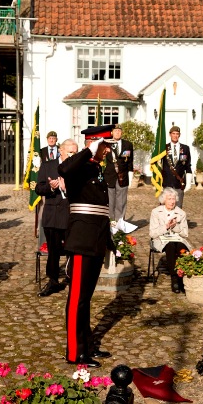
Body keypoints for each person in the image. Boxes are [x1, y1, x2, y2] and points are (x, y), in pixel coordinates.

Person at [58, 124, 116, 368]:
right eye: (105, 146)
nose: (108, 151)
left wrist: (109, 242)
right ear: (94, 144)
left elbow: (101, 209)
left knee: (87, 298)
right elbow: (64, 168)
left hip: (96, 238)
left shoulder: (96, 168)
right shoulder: (79, 166)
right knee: (77, 299)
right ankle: (74, 352)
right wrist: (88, 150)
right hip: (82, 240)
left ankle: (87, 345)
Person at [35, 139, 78, 296]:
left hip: (70, 215)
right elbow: (38, 188)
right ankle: (52, 281)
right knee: (53, 252)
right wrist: (51, 187)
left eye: (75, 152)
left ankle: (72, 278)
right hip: (52, 216)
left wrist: (68, 189)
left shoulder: (78, 167)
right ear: (61, 150)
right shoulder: (48, 166)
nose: (73, 155)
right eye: (70, 152)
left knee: (71, 250)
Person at [149, 187, 191, 293]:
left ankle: (183, 276)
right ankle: (175, 278)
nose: (172, 202)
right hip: (160, 240)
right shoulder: (156, 212)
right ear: (164, 200)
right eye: (169, 199)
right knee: (171, 245)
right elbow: (152, 233)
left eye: (173, 199)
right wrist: (166, 227)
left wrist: (175, 226)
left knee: (181, 247)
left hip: (177, 239)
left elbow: (185, 233)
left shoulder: (181, 213)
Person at [103, 124, 134, 222]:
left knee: (121, 201)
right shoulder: (106, 143)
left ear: (122, 132)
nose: (117, 132)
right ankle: (111, 222)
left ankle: (120, 223)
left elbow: (130, 160)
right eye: (115, 131)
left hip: (123, 176)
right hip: (109, 176)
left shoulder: (128, 144)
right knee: (110, 201)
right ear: (112, 132)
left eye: (119, 131)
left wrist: (130, 173)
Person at [162, 126, 192, 208]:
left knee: (178, 207)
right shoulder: (163, 148)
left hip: (179, 183)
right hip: (167, 183)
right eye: (173, 134)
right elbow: (158, 165)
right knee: (166, 207)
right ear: (170, 134)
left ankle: (177, 221)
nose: (175, 136)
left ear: (179, 135)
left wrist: (188, 183)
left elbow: (188, 166)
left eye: (177, 134)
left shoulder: (185, 148)